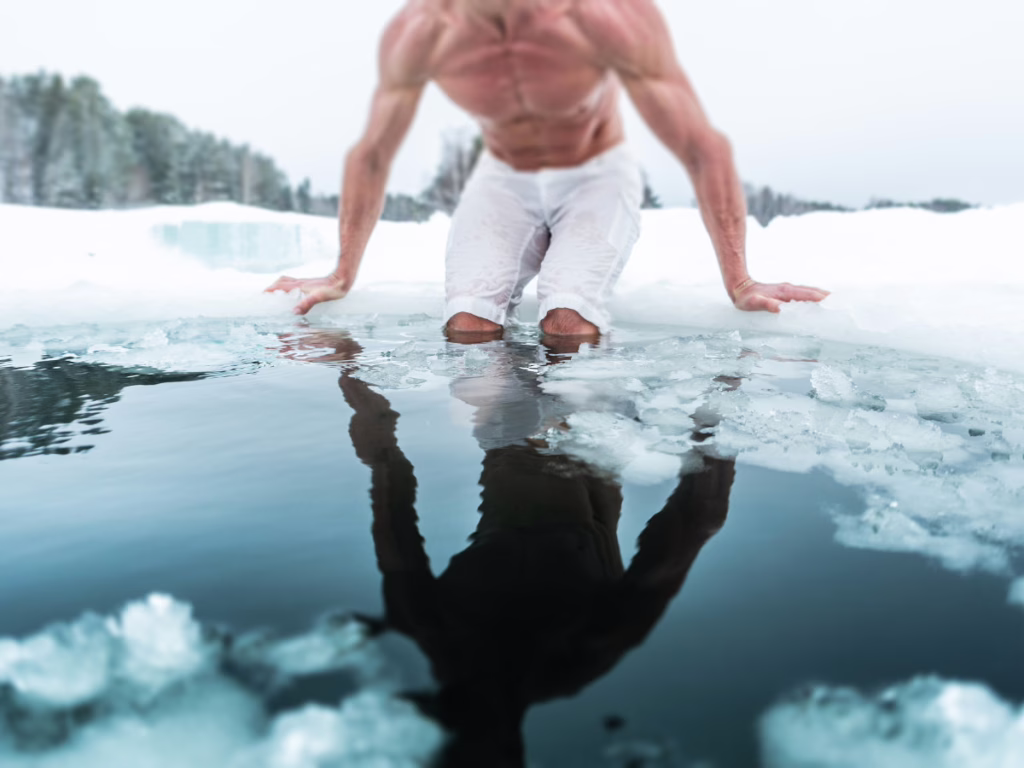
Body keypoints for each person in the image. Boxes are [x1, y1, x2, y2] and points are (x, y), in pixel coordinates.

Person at [266, 0, 829, 338]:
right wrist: (343, 273)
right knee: (468, 326)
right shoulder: (423, 31)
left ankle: (581, 457)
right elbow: (370, 153)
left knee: (567, 322)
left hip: (597, 174)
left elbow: (704, 146)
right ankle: (515, 467)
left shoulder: (602, 17)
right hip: (502, 178)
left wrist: (740, 280)